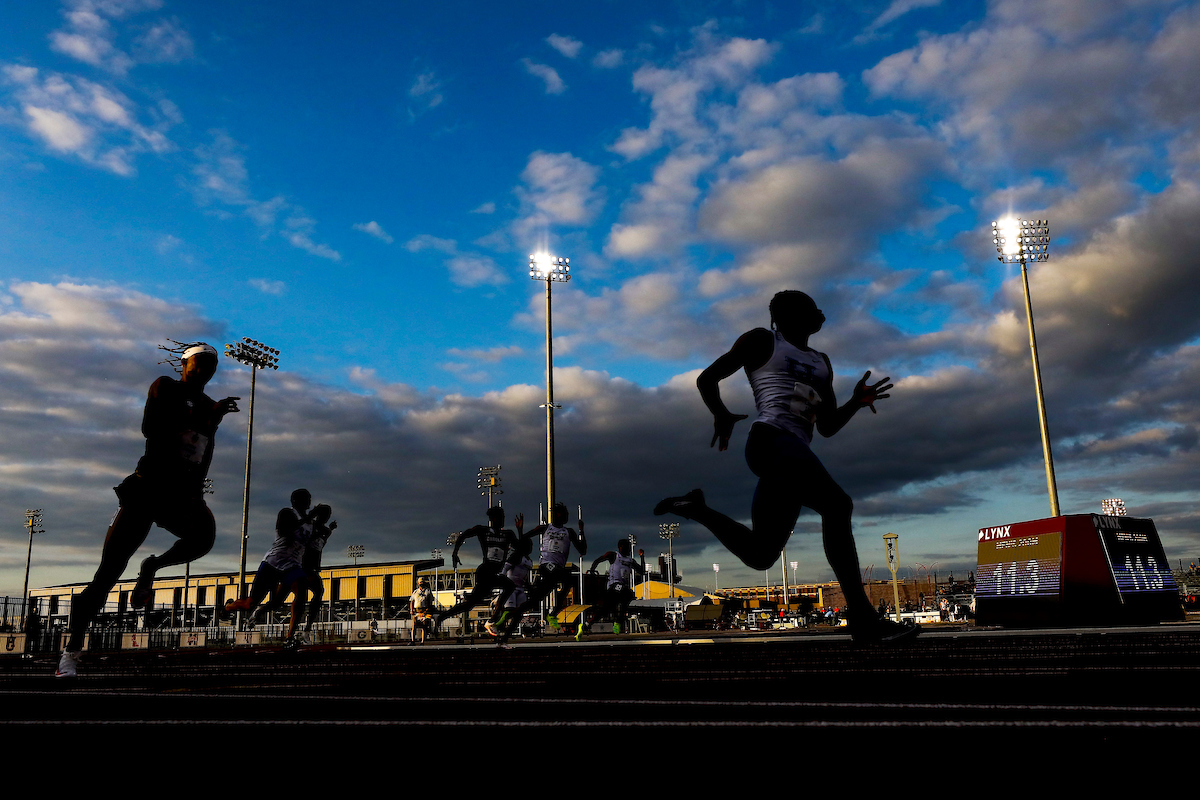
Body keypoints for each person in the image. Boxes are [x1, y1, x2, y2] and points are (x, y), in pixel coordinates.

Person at [654, 290, 918, 644]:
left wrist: (856, 402)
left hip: (794, 456)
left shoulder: (822, 361)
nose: (822, 312)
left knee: (761, 555)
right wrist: (721, 413)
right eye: (813, 307)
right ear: (790, 316)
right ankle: (863, 619)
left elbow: (826, 427)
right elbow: (707, 379)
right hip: (770, 442)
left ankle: (697, 509)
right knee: (838, 505)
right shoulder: (763, 340)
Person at [57, 342, 240, 678]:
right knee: (106, 576)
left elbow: (202, 449)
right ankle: (71, 652)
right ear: (184, 365)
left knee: (203, 539)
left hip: (182, 493)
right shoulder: (165, 387)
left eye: (212, 367)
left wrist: (198, 487)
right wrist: (204, 417)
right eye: (200, 364)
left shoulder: (209, 406)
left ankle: (152, 566)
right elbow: (151, 429)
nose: (206, 371)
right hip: (148, 488)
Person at [224, 488, 316, 647]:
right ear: (296, 501)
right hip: (273, 563)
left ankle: (290, 637)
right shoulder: (287, 513)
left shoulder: (310, 523)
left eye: (309, 498)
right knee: (249, 604)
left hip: (292, 565)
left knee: (301, 592)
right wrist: (309, 517)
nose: (308, 500)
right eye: (305, 498)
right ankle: (228, 606)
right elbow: (285, 530)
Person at [496, 502, 586, 644]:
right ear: (557, 515)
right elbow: (523, 539)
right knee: (567, 578)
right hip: (546, 565)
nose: (566, 517)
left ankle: (504, 628)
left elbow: (583, 551)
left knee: (532, 602)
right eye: (563, 514)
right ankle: (553, 614)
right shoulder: (545, 528)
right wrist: (520, 529)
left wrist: (581, 531)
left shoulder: (569, 532)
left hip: (556, 570)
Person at [435, 506, 520, 631]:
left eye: (503, 517)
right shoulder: (483, 531)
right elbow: (464, 535)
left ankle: (442, 616)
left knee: (470, 605)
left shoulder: (508, 534)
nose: (502, 520)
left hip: (494, 572)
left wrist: (520, 529)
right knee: (509, 586)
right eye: (500, 517)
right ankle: (492, 620)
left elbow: (520, 547)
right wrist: (455, 553)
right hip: (485, 571)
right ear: (493, 519)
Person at [579, 539, 645, 638]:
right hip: (613, 584)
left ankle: (586, 625)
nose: (629, 550)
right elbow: (599, 559)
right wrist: (593, 569)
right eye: (627, 547)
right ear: (621, 547)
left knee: (606, 609)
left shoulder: (630, 561)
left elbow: (642, 571)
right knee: (627, 593)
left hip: (621, 587)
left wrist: (642, 557)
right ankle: (618, 622)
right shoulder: (614, 555)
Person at [410, 577, 436, 643]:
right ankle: (413, 640)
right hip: (417, 611)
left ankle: (422, 641)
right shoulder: (415, 592)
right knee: (414, 626)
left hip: (425, 611)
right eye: (420, 582)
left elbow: (430, 602)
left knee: (423, 626)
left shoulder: (428, 591)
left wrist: (426, 611)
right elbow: (411, 601)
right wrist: (411, 610)